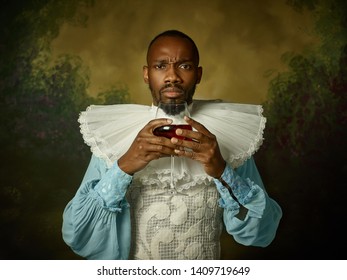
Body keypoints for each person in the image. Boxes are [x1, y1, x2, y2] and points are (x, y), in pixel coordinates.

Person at [62, 30, 282, 260]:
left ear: (198, 75)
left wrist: (223, 172)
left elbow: (261, 233)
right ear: (146, 74)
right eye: (160, 66)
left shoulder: (226, 139)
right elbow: (76, 232)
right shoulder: (114, 139)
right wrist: (124, 166)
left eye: (184, 66)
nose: (172, 76)